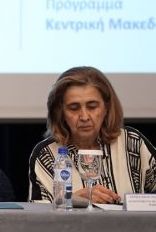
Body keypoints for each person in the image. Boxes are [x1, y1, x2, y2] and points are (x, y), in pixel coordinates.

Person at [29, 66, 156, 203]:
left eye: (92, 107)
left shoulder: (132, 143)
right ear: (61, 113)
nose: (84, 117)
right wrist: (71, 199)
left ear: (106, 108)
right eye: (74, 108)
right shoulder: (47, 154)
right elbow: (38, 213)